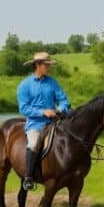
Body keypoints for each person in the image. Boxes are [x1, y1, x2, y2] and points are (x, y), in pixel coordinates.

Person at [17, 52, 71, 190]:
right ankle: (28, 177)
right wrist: (43, 112)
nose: (49, 67)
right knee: (34, 144)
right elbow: (24, 108)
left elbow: (64, 100)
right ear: (38, 65)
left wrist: (61, 109)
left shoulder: (52, 82)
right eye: (46, 65)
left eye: (49, 64)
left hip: (54, 122)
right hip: (35, 124)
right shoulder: (25, 85)